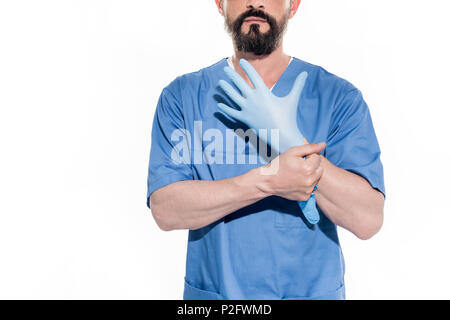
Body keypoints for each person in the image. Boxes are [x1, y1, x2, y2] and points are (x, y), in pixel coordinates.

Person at [146, 0, 385, 300]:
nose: (255, 2)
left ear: (293, 5)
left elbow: (368, 220)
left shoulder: (338, 98)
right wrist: (268, 181)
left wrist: (295, 145)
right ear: (220, 3)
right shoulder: (182, 97)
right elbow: (166, 210)